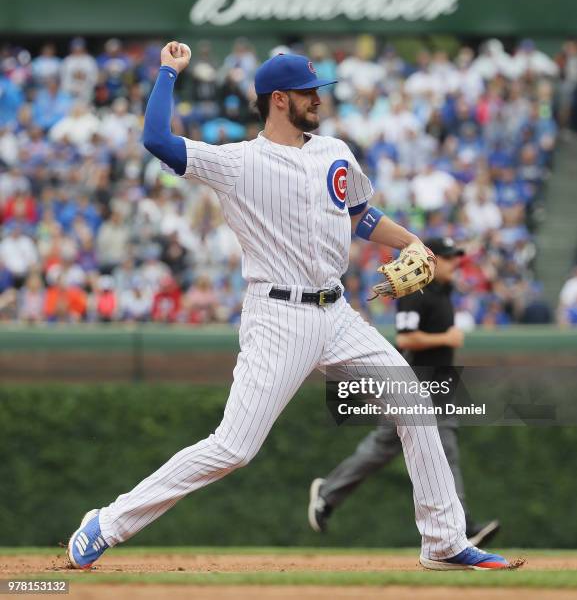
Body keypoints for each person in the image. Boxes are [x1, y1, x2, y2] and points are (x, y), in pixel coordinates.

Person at [67, 42, 515, 571]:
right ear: (278, 100)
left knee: (413, 404)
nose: (318, 100)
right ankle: (107, 523)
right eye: (308, 93)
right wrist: (168, 72)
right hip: (277, 317)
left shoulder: (335, 152)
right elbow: (156, 139)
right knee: (233, 448)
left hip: (337, 313)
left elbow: (360, 215)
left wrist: (413, 242)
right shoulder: (237, 162)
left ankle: (444, 541)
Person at [308, 237, 500, 548]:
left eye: (455, 258)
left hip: (439, 385)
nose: (454, 263)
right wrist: (446, 338)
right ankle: (459, 528)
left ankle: (460, 526)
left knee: (424, 448)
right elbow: (406, 339)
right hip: (414, 382)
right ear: (432, 261)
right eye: (448, 258)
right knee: (399, 448)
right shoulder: (416, 294)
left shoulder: (444, 292)